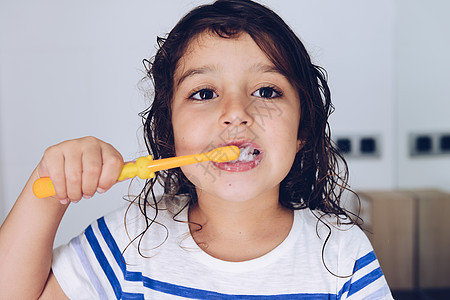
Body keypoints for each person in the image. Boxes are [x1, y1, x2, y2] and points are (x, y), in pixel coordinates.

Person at [0, 0, 393, 299]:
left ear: (301, 129)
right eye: (204, 93)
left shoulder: (343, 254)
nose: (236, 113)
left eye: (267, 91)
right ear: (169, 131)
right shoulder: (131, 240)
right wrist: (50, 189)